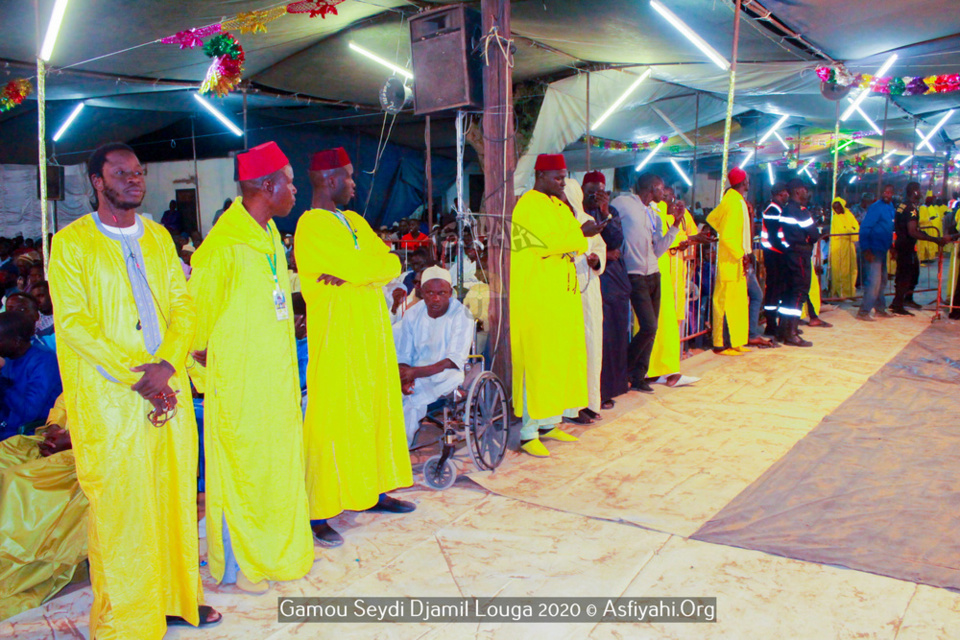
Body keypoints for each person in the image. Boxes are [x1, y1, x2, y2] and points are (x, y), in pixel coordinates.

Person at [48, 142, 217, 637]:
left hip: (166, 386)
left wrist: (167, 364)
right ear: (97, 182)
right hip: (112, 399)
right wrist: (136, 376)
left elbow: (182, 306)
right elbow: (73, 324)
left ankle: (174, 598)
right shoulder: (72, 243)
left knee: (173, 495)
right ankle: (128, 618)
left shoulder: (159, 237)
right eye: (121, 173)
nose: (134, 179)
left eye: (138, 172)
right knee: (122, 508)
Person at [187, 142, 314, 594]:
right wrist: (207, 371)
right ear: (265, 185)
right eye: (289, 182)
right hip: (240, 388)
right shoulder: (222, 248)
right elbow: (194, 324)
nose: (295, 191)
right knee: (242, 470)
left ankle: (275, 551)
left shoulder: (270, 237)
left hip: (276, 382)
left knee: (276, 470)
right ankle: (240, 563)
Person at [296, 147, 414, 548]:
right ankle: (319, 510)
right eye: (348, 176)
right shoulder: (311, 226)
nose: (353, 184)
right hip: (338, 338)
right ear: (329, 180)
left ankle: (371, 490)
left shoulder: (356, 221)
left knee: (374, 409)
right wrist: (365, 270)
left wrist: (361, 271)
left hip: (371, 334)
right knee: (332, 417)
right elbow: (366, 266)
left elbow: (392, 263)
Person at [511, 153, 601, 457]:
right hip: (538, 295)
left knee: (560, 360)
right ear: (541, 176)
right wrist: (580, 234)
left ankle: (549, 424)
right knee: (539, 362)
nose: (563, 182)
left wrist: (582, 234)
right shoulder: (528, 205)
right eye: (558, 177)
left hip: (562, 293)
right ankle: (528, 433)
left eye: (564, 177)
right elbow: (545, 244)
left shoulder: (559, 205)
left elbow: (576, 240)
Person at [0, 394, 87, 621]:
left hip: (93, 456)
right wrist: (54, 428)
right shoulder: (83, 371)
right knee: (4, 454)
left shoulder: (134, 378)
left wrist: (75, 441)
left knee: (19, 483)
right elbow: (66, 400)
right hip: (61, 444)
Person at [614, 173, 682, 390]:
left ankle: (638, 376)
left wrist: (675, 225)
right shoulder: (624, 203)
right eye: (662, 188)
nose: (666, 193)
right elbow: (609, 222)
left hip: (653, 273)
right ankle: (624, 368)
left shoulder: (654, 213)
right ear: (653, 188)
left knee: (651, 329)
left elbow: (658, 250)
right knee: (649, 326)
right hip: (635, 274)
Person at [394, 266, 475, 446]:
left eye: (442, 293)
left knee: (412, 401)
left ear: (450, 293)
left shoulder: (462, 315)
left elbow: (453, 360)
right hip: (415, 371)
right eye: (430, 293)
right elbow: (404, 352)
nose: (436, 298)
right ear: (422, 292)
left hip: (446, 373)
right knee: (387, 394)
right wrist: (405, 376)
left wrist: (414, 374)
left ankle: (400, 448)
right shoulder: (413, 313)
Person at [562, 179, 606, 423]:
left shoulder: (587, 220)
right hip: (566, 291)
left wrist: (596, 260)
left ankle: (590, 402)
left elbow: (600, 247)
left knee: (591, 345)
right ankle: (572, 406)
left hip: (588, 292)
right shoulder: (558, 222)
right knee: (571, 349)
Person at [584, 171, 629, 408]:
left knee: (614, 339)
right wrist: (604, 254)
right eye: (591, 191)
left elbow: (616, 240)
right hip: (593, 283)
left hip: (615, 284)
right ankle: (594, 394)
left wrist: (604, 212)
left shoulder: (610, 212)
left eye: (601, 191)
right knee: (597, 340)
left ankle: (611, 388)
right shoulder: (577, 212)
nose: (596, 195)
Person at [707, 168, 752, 355]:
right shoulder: (734, 203)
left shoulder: (732, 200)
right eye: (747, 179)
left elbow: (712, 218)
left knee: (735, 304)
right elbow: (727, 237)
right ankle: (721, 344)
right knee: (725, 304)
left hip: (732, 260)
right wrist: (742, 254)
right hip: (731, 261)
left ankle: (734, 341)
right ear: (743, 182)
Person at [0, 311, 61, 440]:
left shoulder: (44, 362)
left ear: (16, 341)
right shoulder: (9, 358)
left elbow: (28, 413)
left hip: (27, 434)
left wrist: (2, 384)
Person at [891, 182, 948, 315]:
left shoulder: (902, 205)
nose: (922, 193)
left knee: (913, 273)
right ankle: (897, 304)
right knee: (905, 275)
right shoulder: (911, 208)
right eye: (920, 190)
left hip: (903, 244)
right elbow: (912, 231)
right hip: (906, 245)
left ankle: (907, 299)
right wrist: (934, 239)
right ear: (915, 191)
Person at [778, 178, 820, 345]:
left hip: (789, 254)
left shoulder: (786, 210)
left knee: (789, 294)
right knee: (799, 293)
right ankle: (792, 333)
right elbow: (814, 235)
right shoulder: (801, 212)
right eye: (804, 189)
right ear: (797, 191)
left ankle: (783, 330)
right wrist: (807, 239)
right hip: (800, 255)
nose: (806, 192)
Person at [857, 184, 896, 321]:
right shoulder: (876, 207)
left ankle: (880, 309)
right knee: (873, 282)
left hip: (882, 249)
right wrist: (866, 248)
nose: (887, 194)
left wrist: (891, 247)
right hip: (873, 249)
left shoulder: (890, 207)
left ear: (893, 193)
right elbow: (865, 228)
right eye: (884, 192)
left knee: (882, 281)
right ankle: (863, 311)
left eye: (889, 192)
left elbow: (888, 229)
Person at [760, 184, 790, 338]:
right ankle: (771, 325)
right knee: (773, 291)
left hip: (776, 255)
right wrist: (788, 249)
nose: (788, 195)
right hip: (774, 256)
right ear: (780, 193)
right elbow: (775, 237)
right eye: (786, 192)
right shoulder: (772, 210)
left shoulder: (777, 209)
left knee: (778, 291)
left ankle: (778, 325)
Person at [829, 197, 859, 299]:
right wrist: (851, 230)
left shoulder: (849, 215)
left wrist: (849, 230)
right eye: (835, 208)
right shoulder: (835, 218)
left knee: (852, 270)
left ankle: (850, 293)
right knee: (840, 271)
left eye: (838, 207)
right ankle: (840, 293)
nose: (837, 209)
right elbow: (843, 231)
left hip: (849, 247)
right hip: (838, 248)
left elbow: (856, 228)